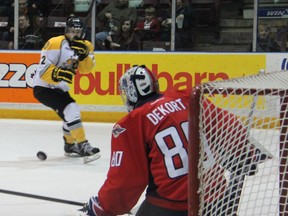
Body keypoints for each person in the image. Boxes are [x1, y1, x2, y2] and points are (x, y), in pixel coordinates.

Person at [80, 65, 272, 216]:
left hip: (172, 206)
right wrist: (244, 151)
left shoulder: (131, 123)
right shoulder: (186, 97)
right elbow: (226, 124)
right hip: (217, 199)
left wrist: (102, 207)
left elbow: (126, 182)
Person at [32, 16, 100, 163]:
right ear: (66, 30)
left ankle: (70, 146)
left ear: (82, 32)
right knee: (71, 109)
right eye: (71, 31)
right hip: (43, 87)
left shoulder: (86, 45)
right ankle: (83, 145)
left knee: (69, 114)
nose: (74, 34)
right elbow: (43, 70)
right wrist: (58, 73)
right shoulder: (54, 43)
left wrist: (83, 56)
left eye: (77, 31)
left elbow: (86, 70)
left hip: (59, 87)